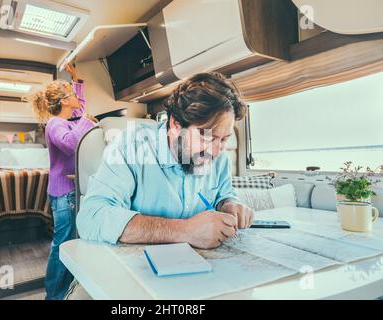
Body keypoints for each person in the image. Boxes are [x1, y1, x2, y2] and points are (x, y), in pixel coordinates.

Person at [76, 72, 254, 250]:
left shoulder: (219, 156)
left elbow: (224, 194)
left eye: (224, 139)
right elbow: (91, 217)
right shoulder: (129, 147)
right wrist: (184, 230)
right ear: (176, 124)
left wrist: (229, 205)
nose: (215, 152)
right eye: (205, 136)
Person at [31, 64, 95, 300]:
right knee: (62, 247)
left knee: (69, 245)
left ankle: (63, 293)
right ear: (65, 101)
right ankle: (54, 296)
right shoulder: (55, 124)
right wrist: (87, 122)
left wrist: (77, 79)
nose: (77, 97)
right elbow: (70, 144)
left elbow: (81, 109)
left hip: (69, 193)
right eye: (72, 92)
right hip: (63, 195)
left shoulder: (69, 120)